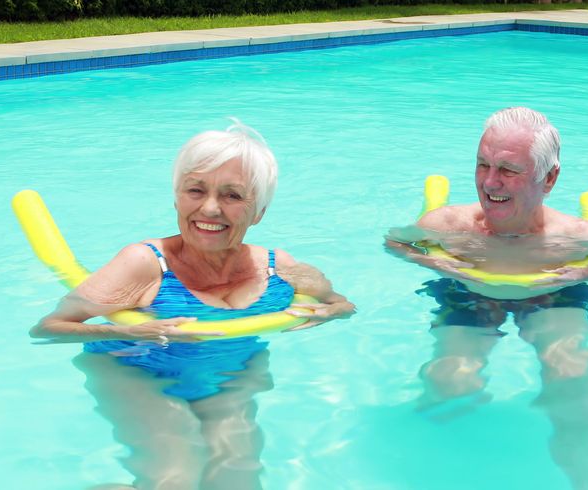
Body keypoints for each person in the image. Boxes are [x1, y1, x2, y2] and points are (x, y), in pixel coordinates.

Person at [30, 120, 355, 490]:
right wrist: (129, 330)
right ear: (177, 198)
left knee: (238, 480)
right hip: (135, 369)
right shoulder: (145, 262)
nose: (211, 208)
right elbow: (48, 329)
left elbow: (341, 303)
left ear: (259, 210)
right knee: (176, 478)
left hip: (229, 371)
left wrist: (333, 311)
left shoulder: (280, 268)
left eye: (233, 196)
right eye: (195, 191)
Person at [386, 106, 588, 489]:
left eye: (508, 170)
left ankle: (587, 470)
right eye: (482, 165)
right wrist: (446, 267)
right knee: (448, 385)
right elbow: (396, 243)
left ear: (548, 179)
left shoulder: (573, 237)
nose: (490, 183)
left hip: (550, 294)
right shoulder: (449, 226)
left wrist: (582, 272)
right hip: (469, 291)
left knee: (573, 386)